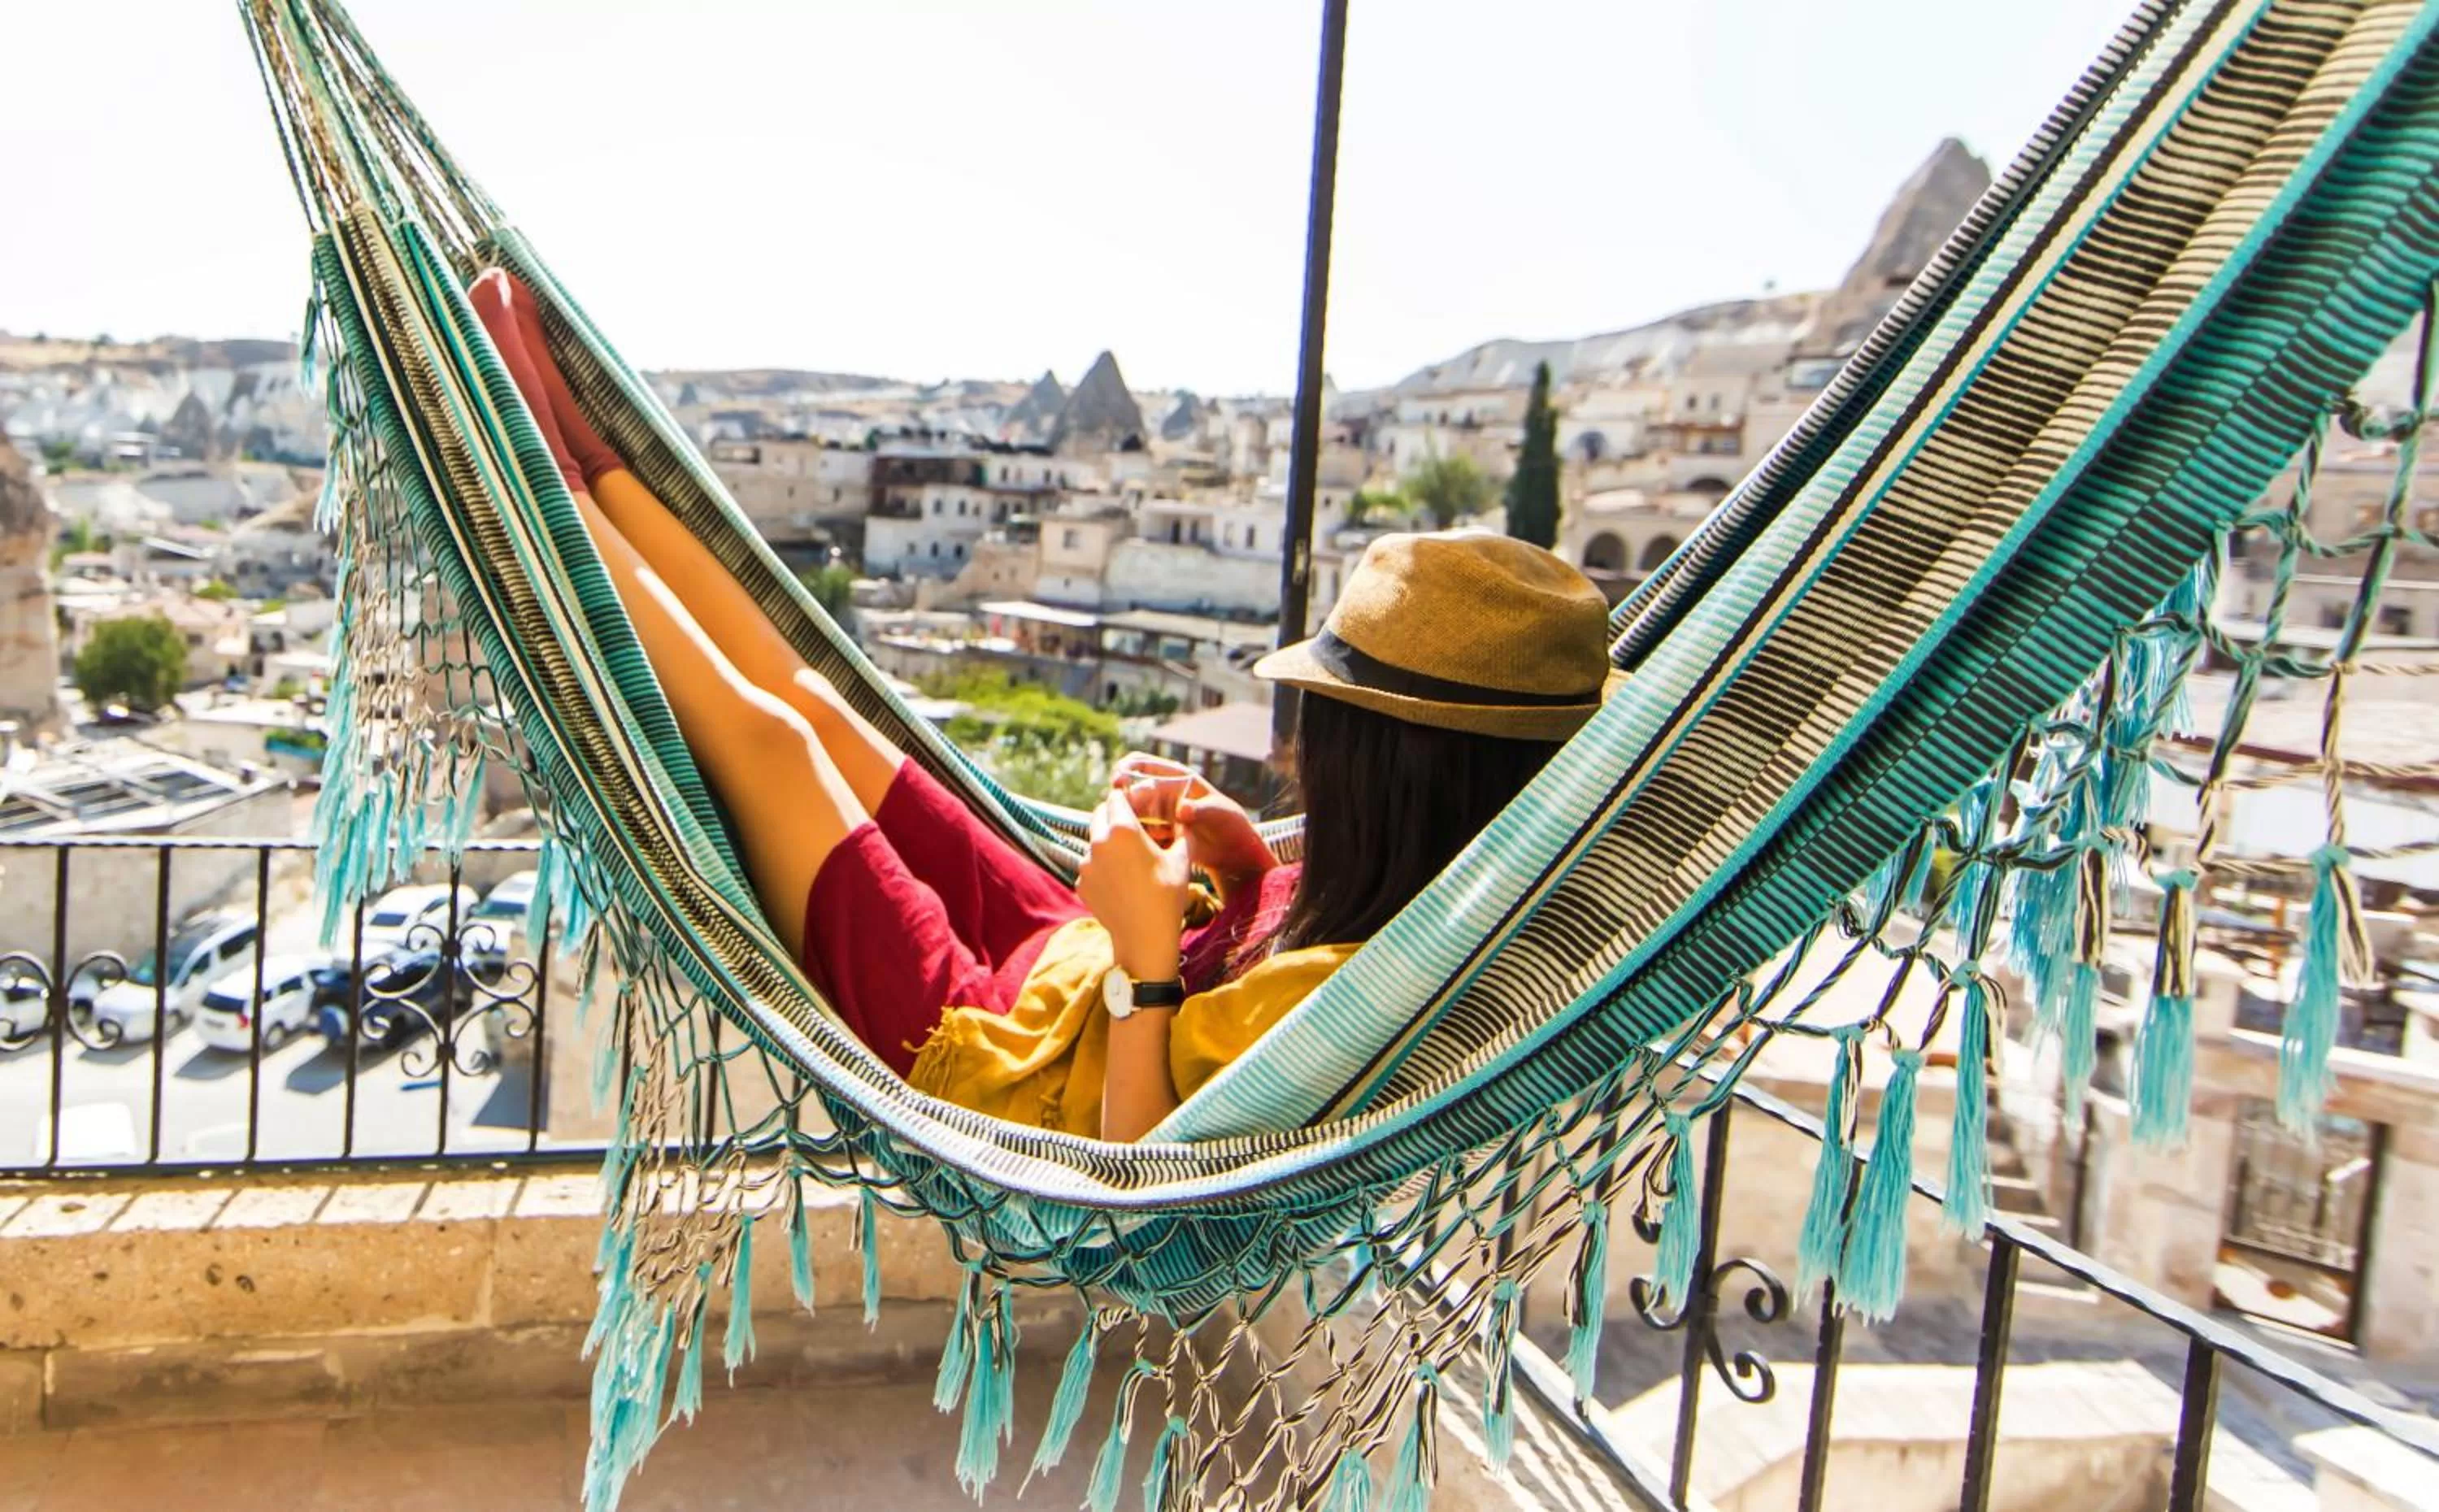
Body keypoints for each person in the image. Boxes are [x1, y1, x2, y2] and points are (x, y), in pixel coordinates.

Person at [464, 268, 1618, 1141]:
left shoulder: (1379, 981)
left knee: (770, 742)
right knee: (812, 699)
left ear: (1390, 772)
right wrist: (1242, 871)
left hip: (992, 1056)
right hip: (1066, 969)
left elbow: (1142, 1170)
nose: (1303, 755)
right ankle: (588, 456)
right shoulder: (1426, 893)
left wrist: (1147, 953)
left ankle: (547, 488)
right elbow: (1254, 974)